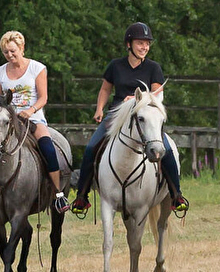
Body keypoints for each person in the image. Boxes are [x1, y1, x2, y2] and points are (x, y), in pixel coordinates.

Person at [69, 23, 189, 213]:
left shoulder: (153, 68)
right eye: (140, 43)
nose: (144, 47)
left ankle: (176, 195)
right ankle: (82, 196)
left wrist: (134, 99)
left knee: (166, 149)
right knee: (92, 147)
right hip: (117, 116)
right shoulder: (115, 66)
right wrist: (99, 108)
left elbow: (157, 95)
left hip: (145, 118)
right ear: (129, 44)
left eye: (147, 44)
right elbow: (105, 89)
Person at [0, 31, 69, 214]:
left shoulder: (37, 68)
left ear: (22, 48)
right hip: (6, 121)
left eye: (13, 51)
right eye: (6, 52)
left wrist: (30, 111)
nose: (9, 55)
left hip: (32, 117)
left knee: (48, 148)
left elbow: (43, 98)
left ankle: (58, 194)